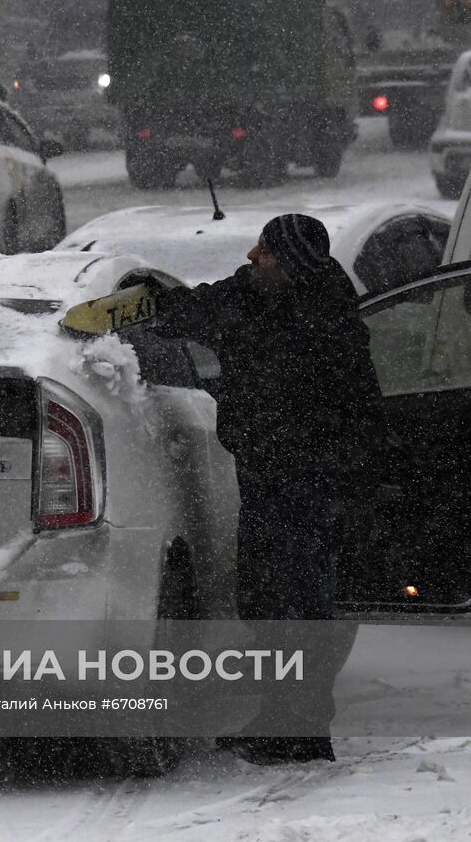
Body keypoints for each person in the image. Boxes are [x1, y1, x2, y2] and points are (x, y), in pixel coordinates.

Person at [151, 213, 386, 764]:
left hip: (311, 484)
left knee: (298, 606)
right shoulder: (248, 295)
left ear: (293, 263)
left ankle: (300, 730)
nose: (253, 257)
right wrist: (149, 303)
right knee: (265, 599)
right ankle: (283, 721)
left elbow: (362, 410)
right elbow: (194, 308)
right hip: (266, 476)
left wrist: (350, 485)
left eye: (266, 251)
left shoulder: (330, 321)